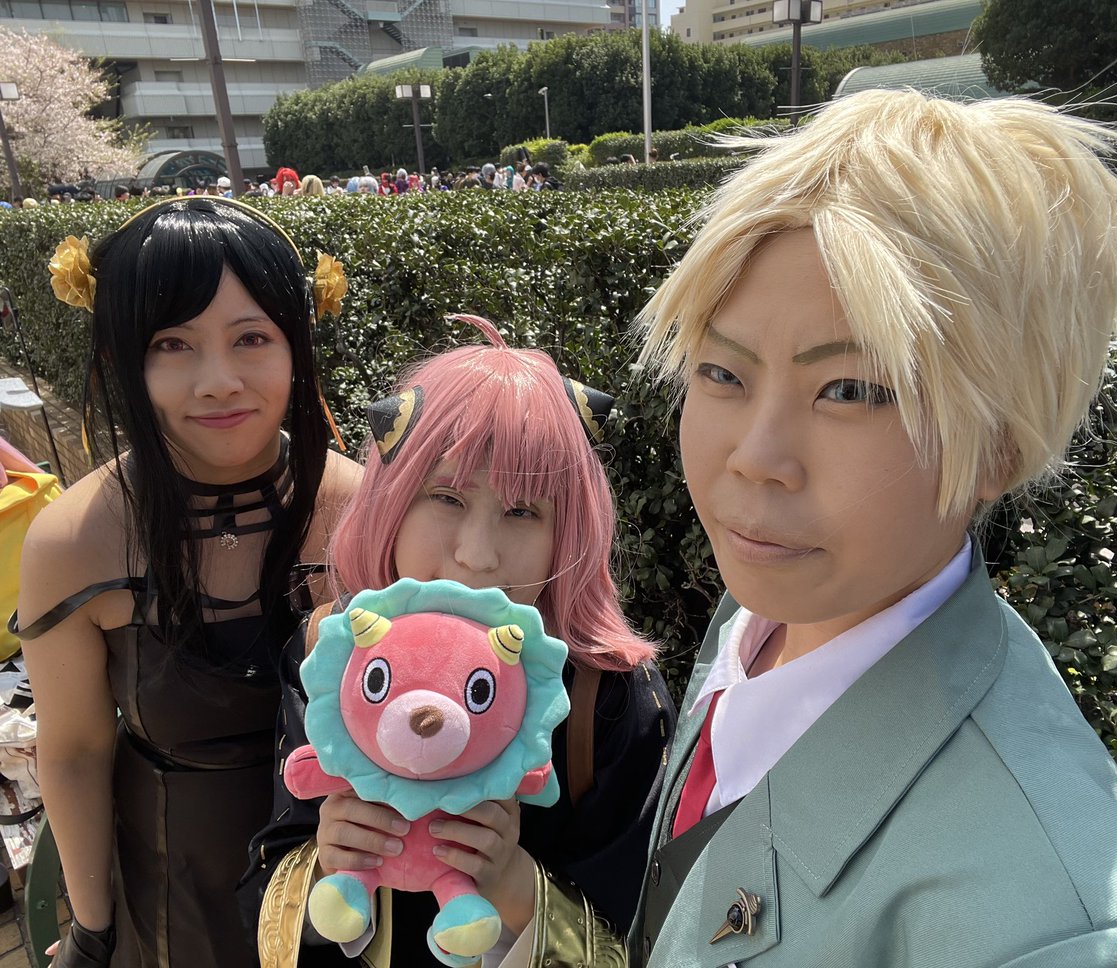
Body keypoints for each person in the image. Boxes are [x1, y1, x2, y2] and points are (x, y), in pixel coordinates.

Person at [624, 89, 1117, 967]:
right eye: (722, 373)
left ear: (999, 447)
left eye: (850, 390)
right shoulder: (768, 613)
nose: (755, 457)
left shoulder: (1058, 934)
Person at [245, 315, 675, 968]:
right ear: (391, 502)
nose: (477, 555)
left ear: (569, 531)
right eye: (446, 496)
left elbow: (651, 928)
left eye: (523, 511)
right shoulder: (328, 652)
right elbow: (271, 878)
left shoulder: (609, 693)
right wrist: (329, 862)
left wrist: (515, 886)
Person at [14, 197, 362, 968]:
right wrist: (94, 931)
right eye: (172, 344)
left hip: (352, 882)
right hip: (172, 897)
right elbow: (74, 752)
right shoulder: (74, 541)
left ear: (298, 344)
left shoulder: (369, 511)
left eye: (251, 338)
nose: (218, 382)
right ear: (122, 358)